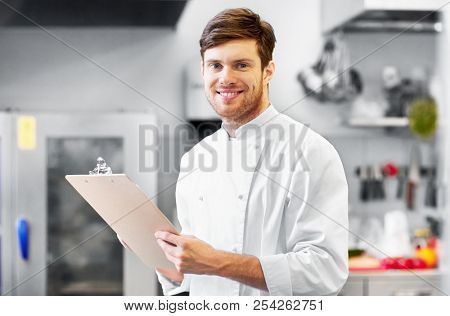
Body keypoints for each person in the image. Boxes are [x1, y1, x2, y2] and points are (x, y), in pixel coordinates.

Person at [127, 8, 349, 296]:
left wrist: (214, 262)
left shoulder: (310, 152)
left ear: (268, 70)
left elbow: (325, 271)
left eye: (241, 65)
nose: (226, 78)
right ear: (203, 71)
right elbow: (193, 283)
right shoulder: (195, 161)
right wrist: (164, 262)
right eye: (215, 65)